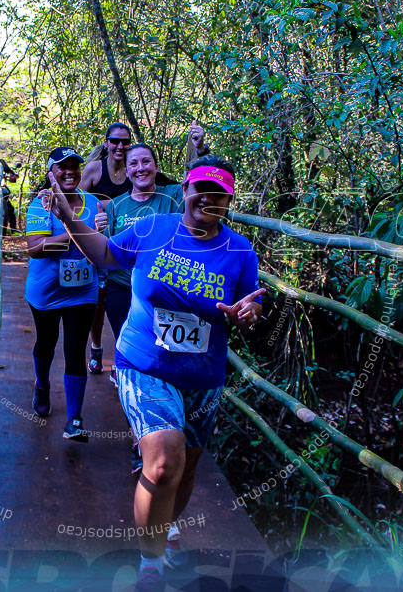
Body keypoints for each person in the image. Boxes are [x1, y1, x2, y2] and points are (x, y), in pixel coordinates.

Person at [47, 153, 264, 588]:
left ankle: (164, 530)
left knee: (184, 471)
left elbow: (252, 302)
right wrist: (71, 218)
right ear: (184, 190)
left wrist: (249, 312)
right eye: (200, 188)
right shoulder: (152, 229)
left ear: (228, 202)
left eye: (218, 193)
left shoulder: (240, 250)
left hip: (203, 376)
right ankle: (150, 563)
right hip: (143, 362)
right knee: (164, 462)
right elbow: (106, 255)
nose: (207, 198)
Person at [80, 122, 211, 376]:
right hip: (123, 289)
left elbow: (202, 180)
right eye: (134, 164)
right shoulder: (116, 205)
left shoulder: (173, 194)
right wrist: (98, 229)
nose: (141, 168)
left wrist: (200, 148)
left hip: (163, 289)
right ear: (127, 172)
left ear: (156, 167)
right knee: (128, 346)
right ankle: (130, 386)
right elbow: (108, 250)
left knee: (163, 352)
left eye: (146, 162)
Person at [24, 147, 101, 441]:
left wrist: (101, 231)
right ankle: (41, 385)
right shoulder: (40, 205)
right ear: (51, 174)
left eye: (74, 166)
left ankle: (74, 419)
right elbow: (35, 248)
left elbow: (103, 243)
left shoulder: (95, 204)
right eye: (62, 167)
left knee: (75, 350)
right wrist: (75, 229)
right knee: (46, 343)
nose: (69, 172)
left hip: (83, 290)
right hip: (46, 290)